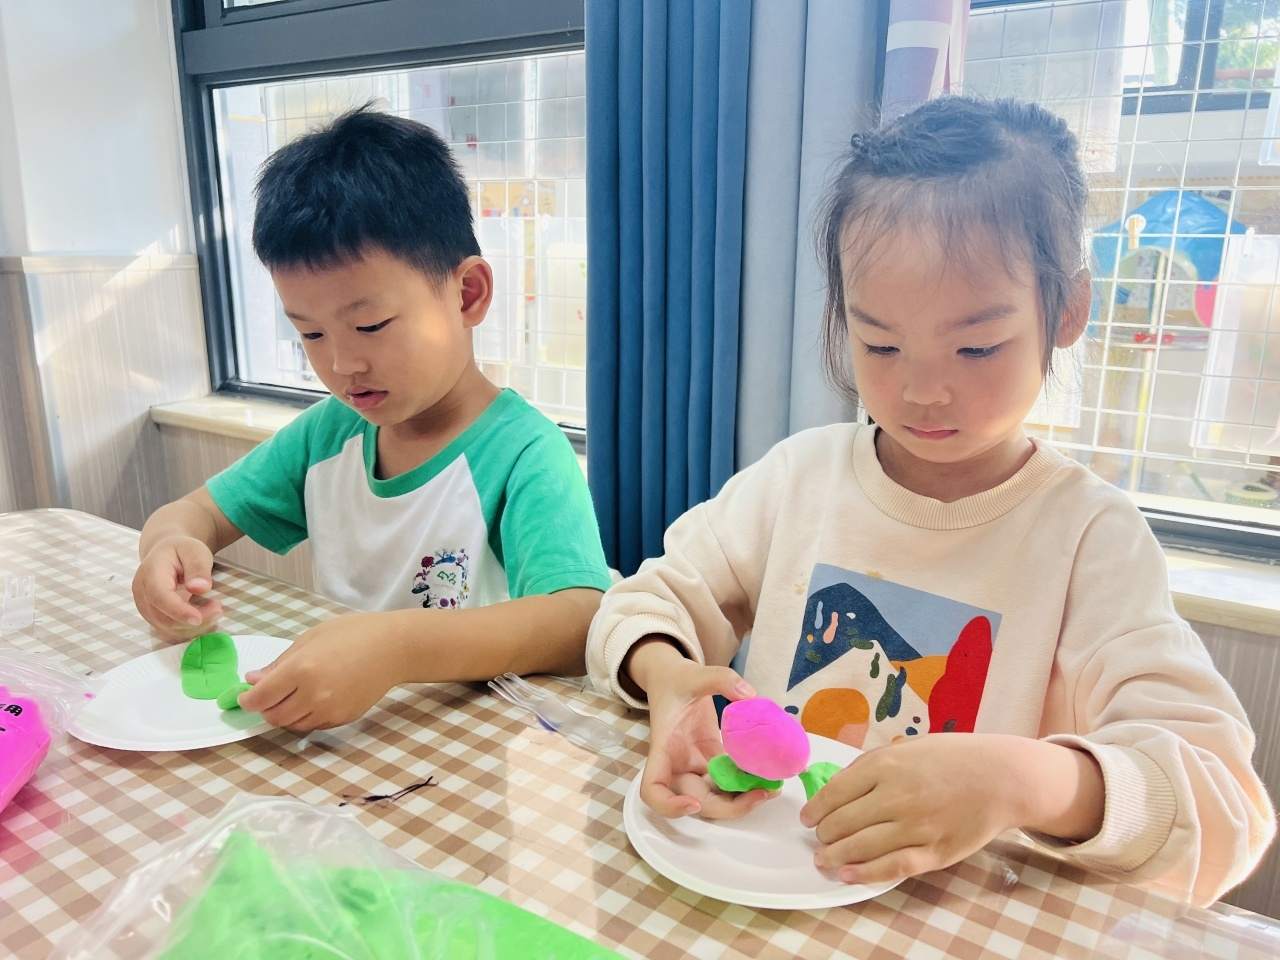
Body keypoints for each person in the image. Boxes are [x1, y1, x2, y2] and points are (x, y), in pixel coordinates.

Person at [586, 97, 1274, 906]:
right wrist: (670, 677)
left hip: (954, 923)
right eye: (880, 343)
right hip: (774, 896)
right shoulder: (801, 479)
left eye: (976, 346)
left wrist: (1023, 780)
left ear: (1069, 311)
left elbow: (1223, 807)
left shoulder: (1090, 537)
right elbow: (640, 602)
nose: (921, 390)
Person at [134, 107, 610, 731]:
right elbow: (195, 513)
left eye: (370, 325)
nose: (342, 364)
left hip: (466, 751)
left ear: (467, 294)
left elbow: (578, 619)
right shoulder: (329, 433)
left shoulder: (522, 451)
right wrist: (167, 548)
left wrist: (396, 648)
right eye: (310, 333)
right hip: (337, 738)